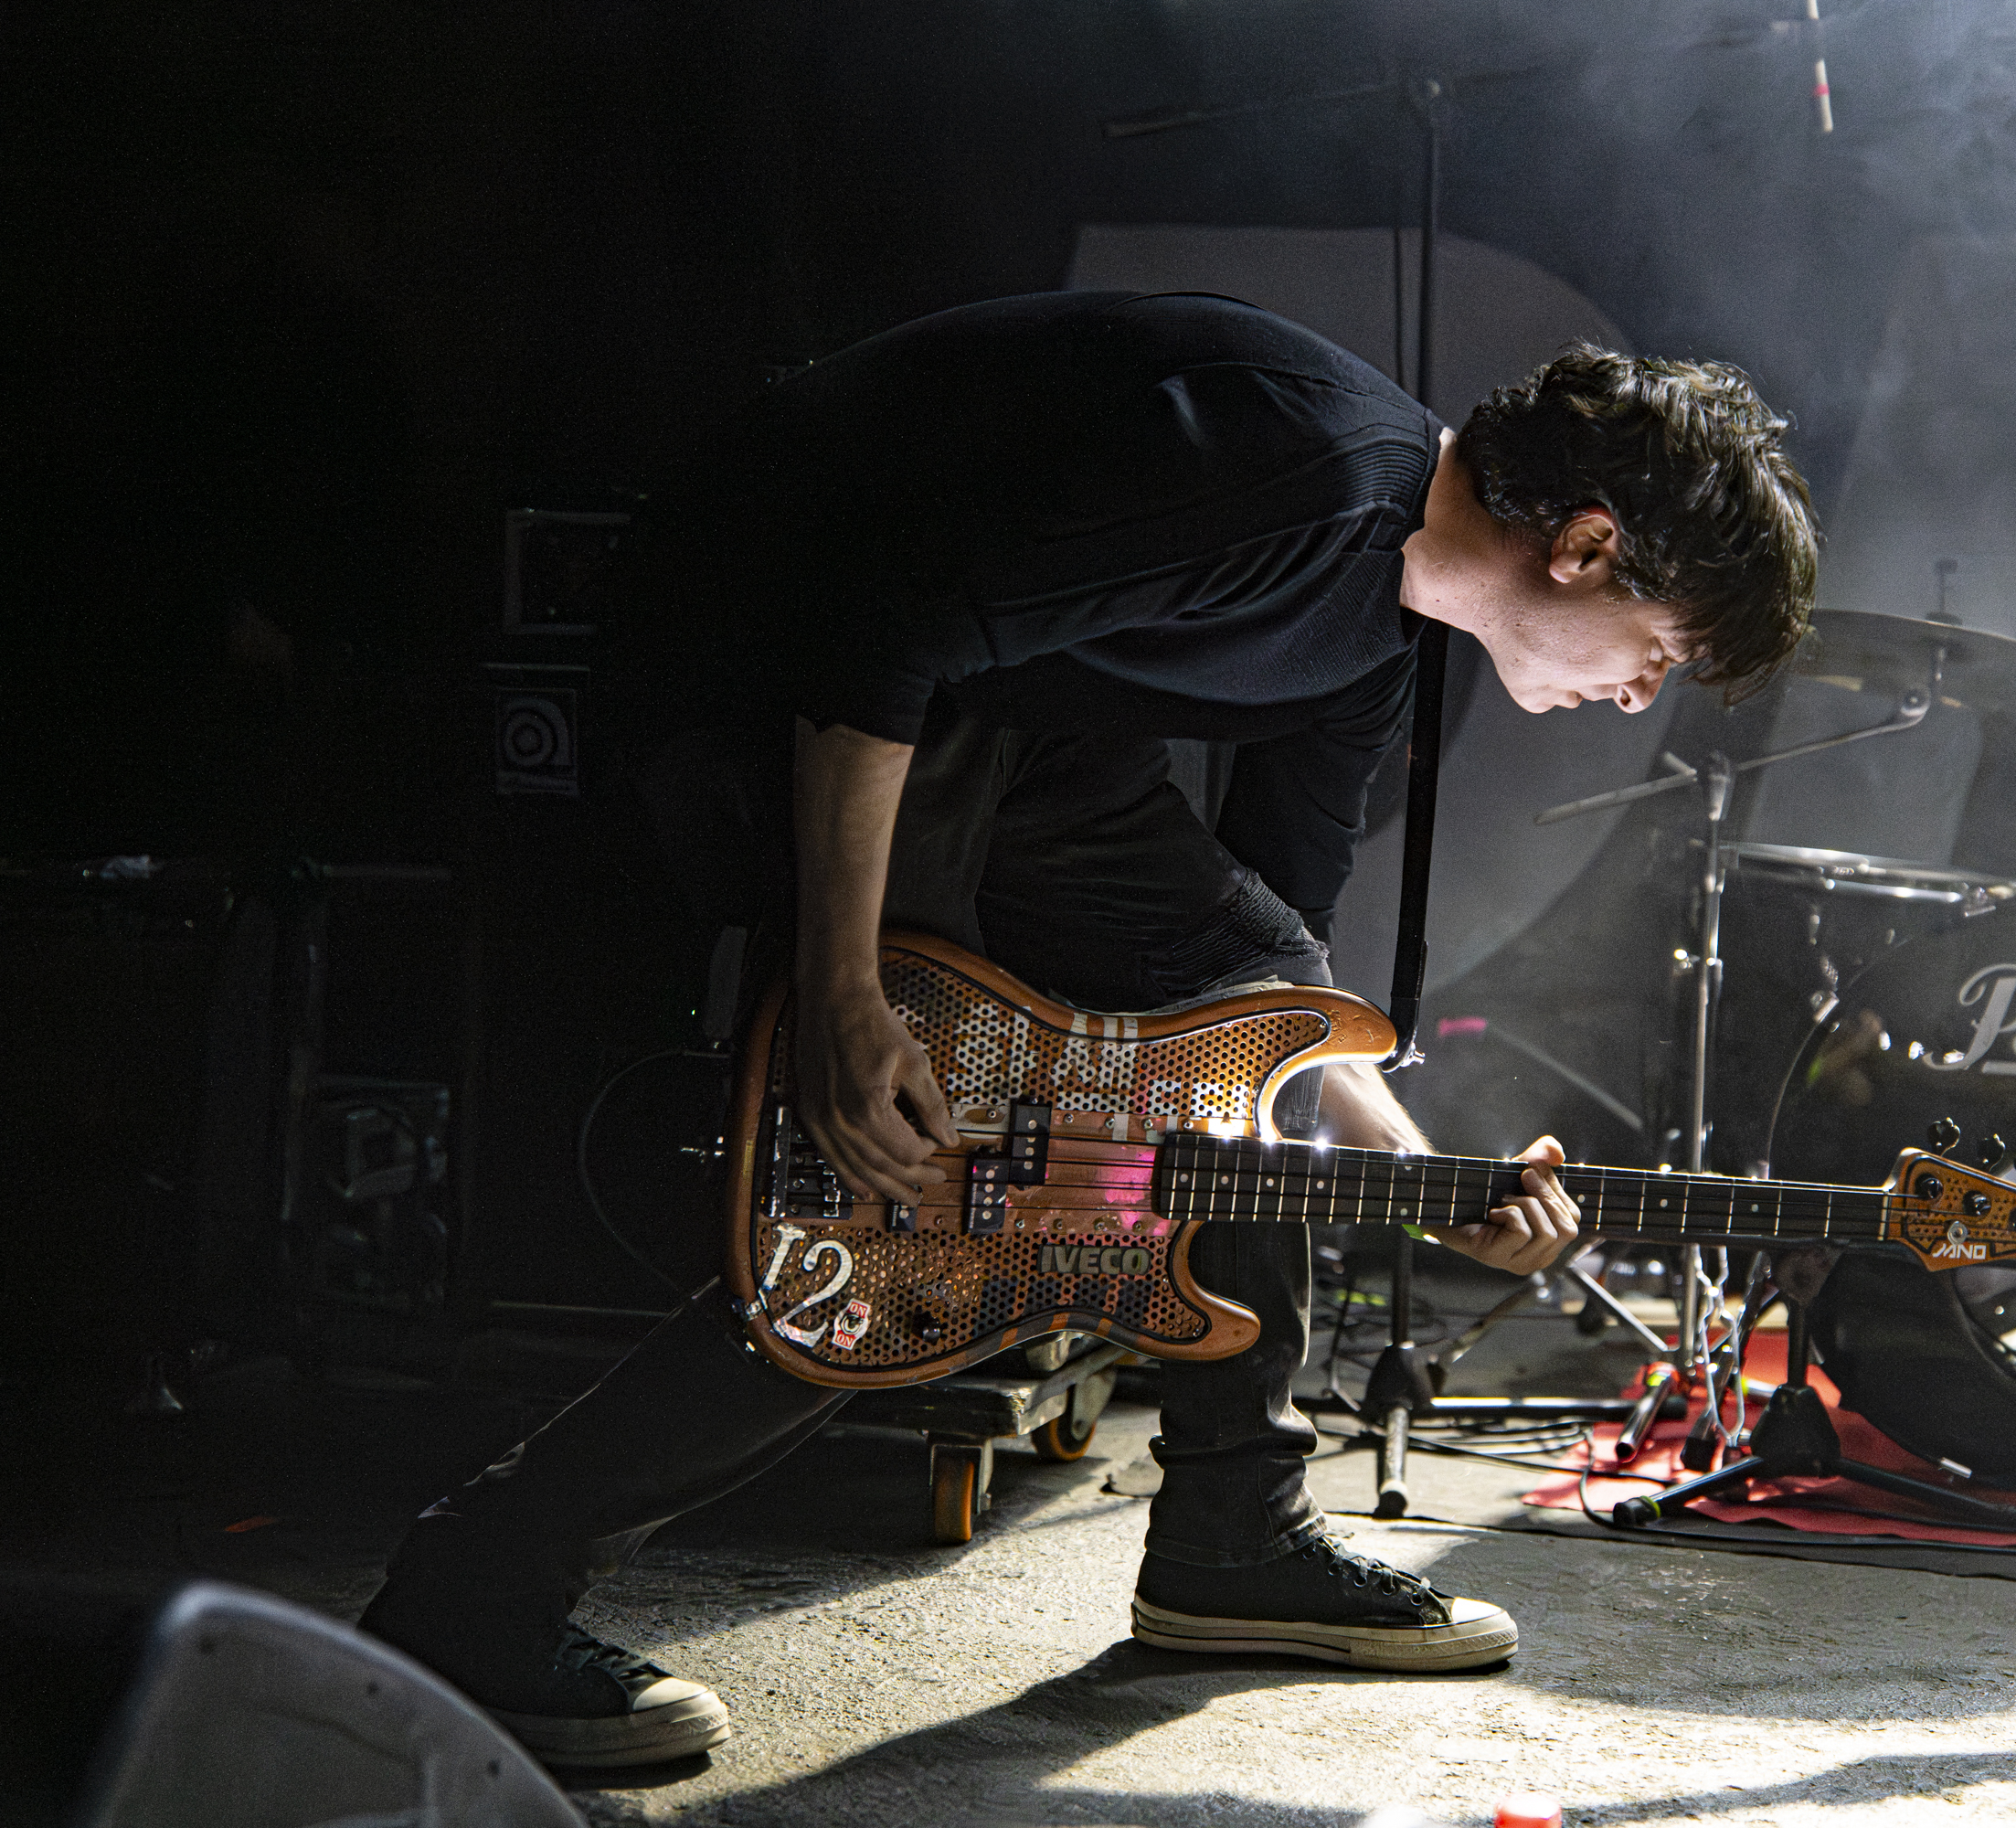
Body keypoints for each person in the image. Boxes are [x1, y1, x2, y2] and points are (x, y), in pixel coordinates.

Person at [359, 290, 1818, 1768]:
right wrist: (848, 991)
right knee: (906, 1223)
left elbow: (1270, 1020)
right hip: (768, 654)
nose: (1639, 692)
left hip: (998, 721)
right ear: (1585, 548)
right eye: (1660, 650)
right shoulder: (1301, 471)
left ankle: (1233, 1539)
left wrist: (1427, 1179)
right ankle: (474, 1592)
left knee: (1236, 998)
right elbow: (881, 628)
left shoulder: (1378, 649)